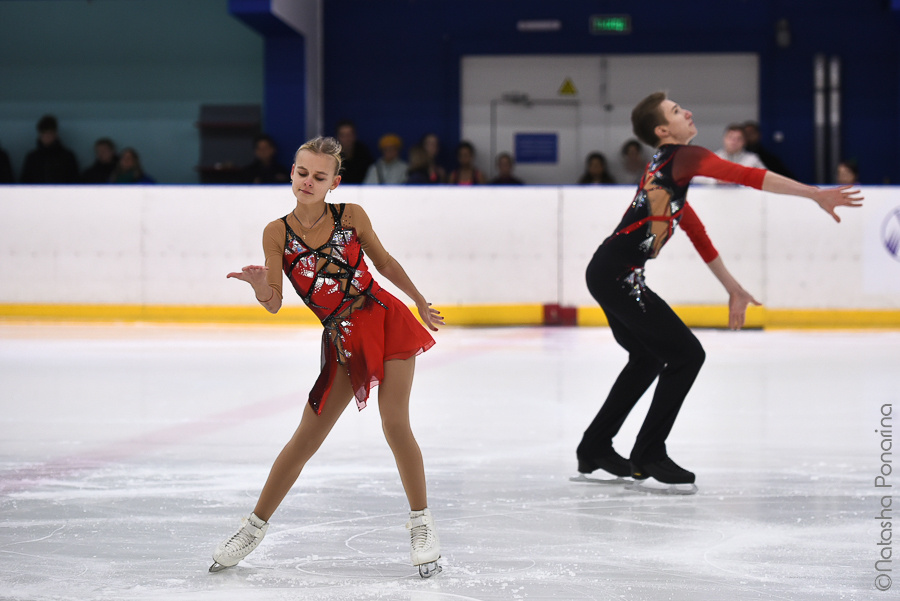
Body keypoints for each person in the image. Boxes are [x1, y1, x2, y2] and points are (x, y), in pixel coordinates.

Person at [576, 92, 862, 494]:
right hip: (617, 275)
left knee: (647, 358)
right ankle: (648, 453)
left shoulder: (665, 170)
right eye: (677, 111)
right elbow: (747, 176)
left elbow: (696, 232)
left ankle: (594, 447)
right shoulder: (682, 157)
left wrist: (734, 289)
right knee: (687, 355)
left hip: (612, 272)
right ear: (663, 130)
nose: (688, 112)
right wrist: (814, 193)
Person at [212, 136, 444, 577]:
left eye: (319, 176)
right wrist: (260, 287)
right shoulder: (276, 232)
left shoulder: (351, 215)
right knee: (306, 437)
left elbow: (385, 263)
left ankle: (422, 524)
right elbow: (275, 301)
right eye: (302, 173)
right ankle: (253, 527)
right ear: (292, 173)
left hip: (386, 320)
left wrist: (418, 300)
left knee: (395, 423)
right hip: (343, 339)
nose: (308, 181)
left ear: (334, 183)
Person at [692, 124, 765, 185]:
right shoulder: (713, 158)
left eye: (738, 139)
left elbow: (765, 177)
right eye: (730, 138)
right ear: (724, 139)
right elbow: (695, 177)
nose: (734, 142)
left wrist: (745, 178)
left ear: (744, 142)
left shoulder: (752, 159)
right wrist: (716, 180)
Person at [20, 115, 79, 183]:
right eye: (44, 133)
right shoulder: (32, 158)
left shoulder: (67, 157)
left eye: (50, 133)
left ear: (55, 134)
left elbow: (74, 181)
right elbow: (25, 182)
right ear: (40, 135)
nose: (47, 137)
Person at [335, 120, 374, 184]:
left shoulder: (363, 154)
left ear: (354, 136)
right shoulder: (333, 157)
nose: (346, 139)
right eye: (343, 135)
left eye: (349, 135)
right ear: (338, 137)